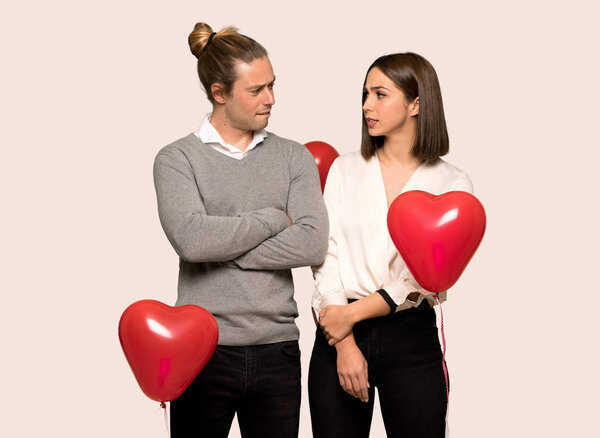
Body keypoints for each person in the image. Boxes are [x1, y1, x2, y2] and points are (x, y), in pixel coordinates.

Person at [153, 22, 328, 438]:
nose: (271, 99)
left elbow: (312, 242)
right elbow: (192, 241)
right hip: (201, 350)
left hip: (278, 350)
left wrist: (220, 244)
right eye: (256, 90)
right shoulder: (177, 159)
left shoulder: (293, 157)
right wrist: (272, 219)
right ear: (219, 92)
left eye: (271, 85)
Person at [308, 52, 474, 438]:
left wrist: (352, 314)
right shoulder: (344, 169)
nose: (367, 105)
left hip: (409, 336)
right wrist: (344, 338)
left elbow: (424, 276)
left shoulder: (452, 184)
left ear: (416, 103)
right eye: (365, 94)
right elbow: (325, 252)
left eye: (380, 94)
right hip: (337, 332)